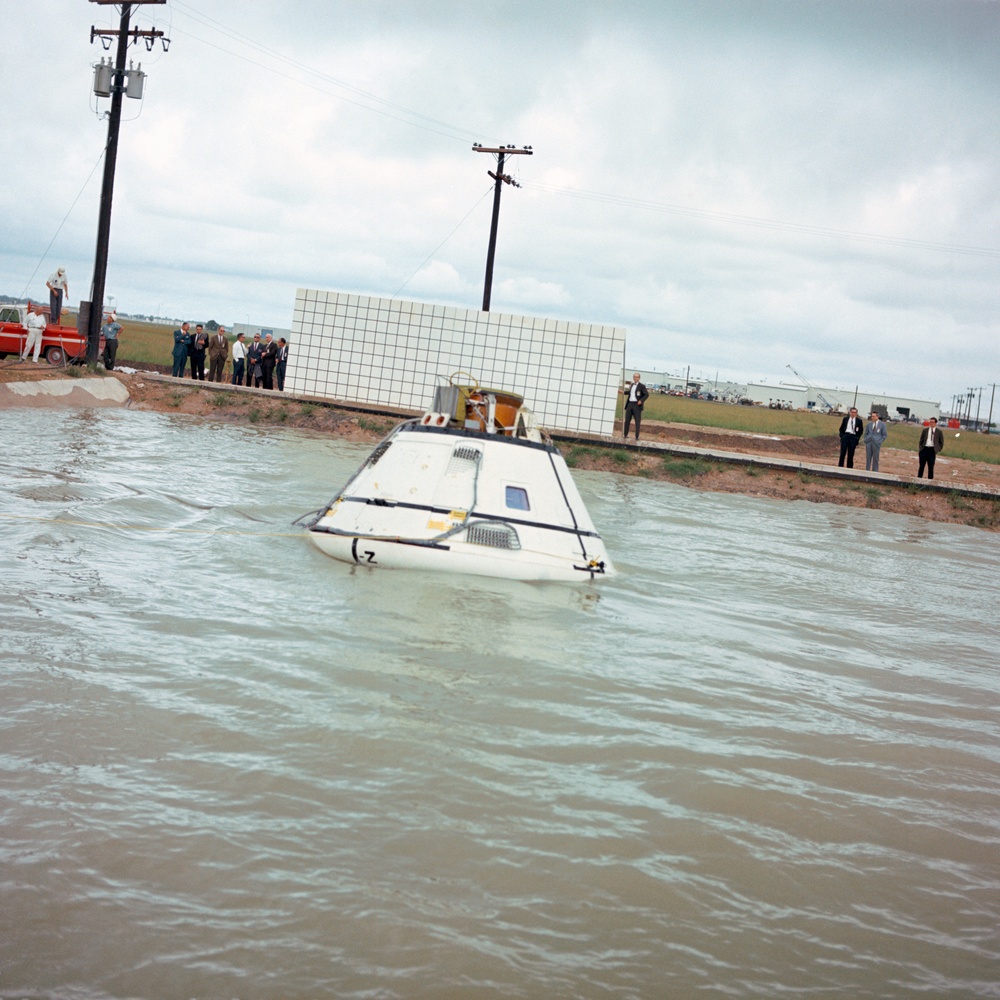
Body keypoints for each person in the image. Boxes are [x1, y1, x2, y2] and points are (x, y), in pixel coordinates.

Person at [622, 372, 649, 441]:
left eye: (637, 377)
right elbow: (631, 392)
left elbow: (646, 394)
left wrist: (641, 400)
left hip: (637, 405)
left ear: (639, 378)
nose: (635, 378)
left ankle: (637, 436)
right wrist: (623, 392)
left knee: (637, 421)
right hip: (630, 404)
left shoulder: (641, 386)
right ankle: (625, 434)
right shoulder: (632, 385)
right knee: (627, 420)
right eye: (634, 377)